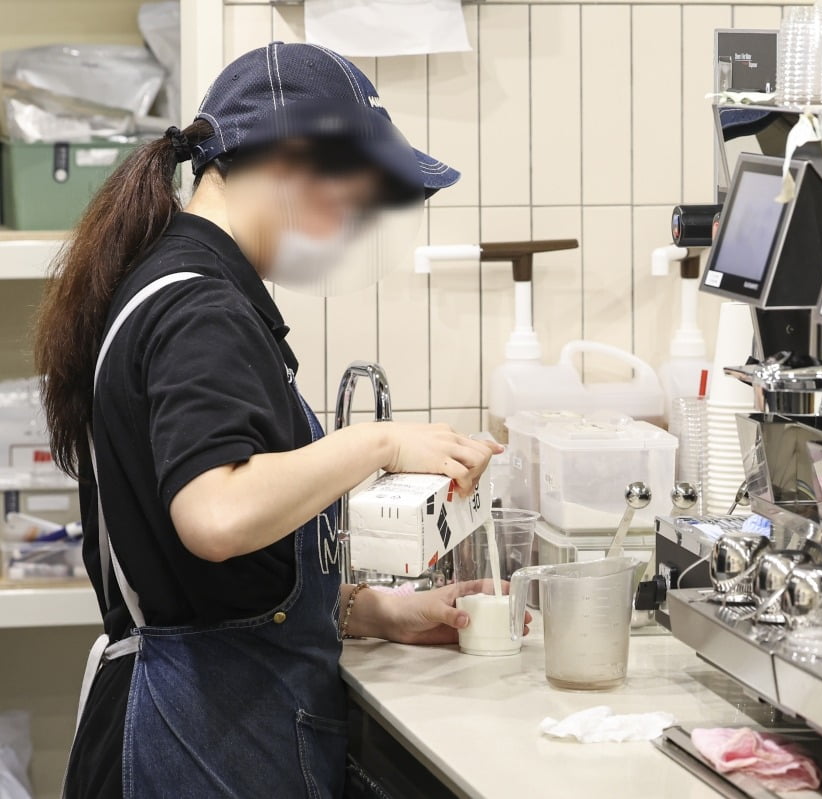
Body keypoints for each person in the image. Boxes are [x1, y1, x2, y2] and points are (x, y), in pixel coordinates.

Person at [35, 42, 524, 798]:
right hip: (195, 735)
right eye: (350, 196)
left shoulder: (182, 283)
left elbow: (220, 578)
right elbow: (216, 515)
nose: (352, 225)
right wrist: (379, 441)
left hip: (207, 719)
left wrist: (375, 612)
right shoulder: (199, 306)